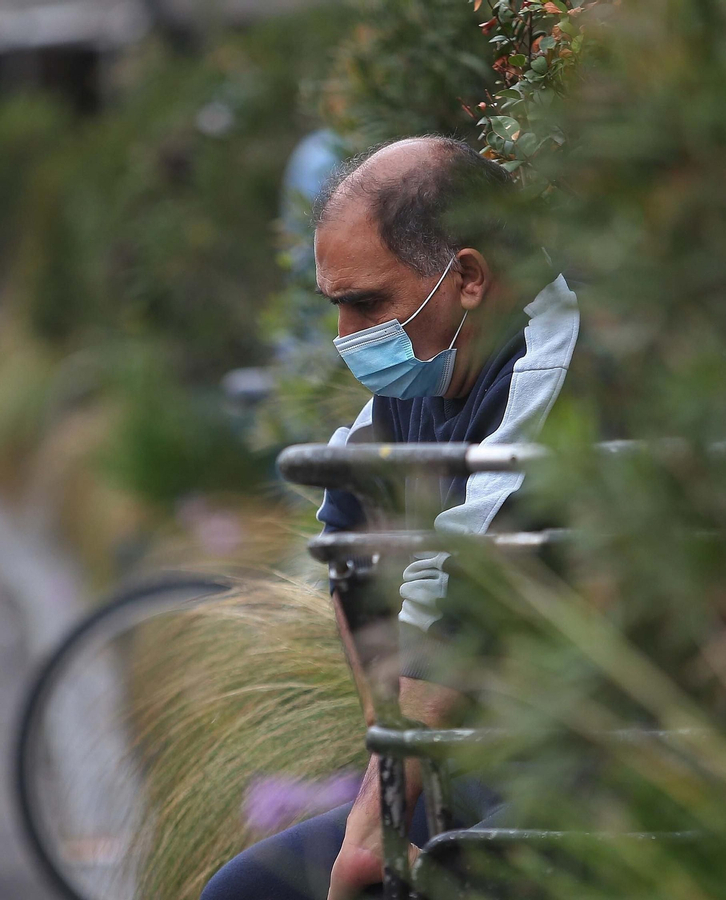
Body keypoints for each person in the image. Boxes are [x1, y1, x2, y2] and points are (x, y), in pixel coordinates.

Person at [201, 136, 581, 900]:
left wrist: (369, 836)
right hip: (471, 765)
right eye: (336, 305)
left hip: (579, 784)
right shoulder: (428, 360)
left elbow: (456, 609)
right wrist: (389, 773)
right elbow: (350, 529)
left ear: (467, 277)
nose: (348, 338)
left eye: (366, 303)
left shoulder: (548, 361)